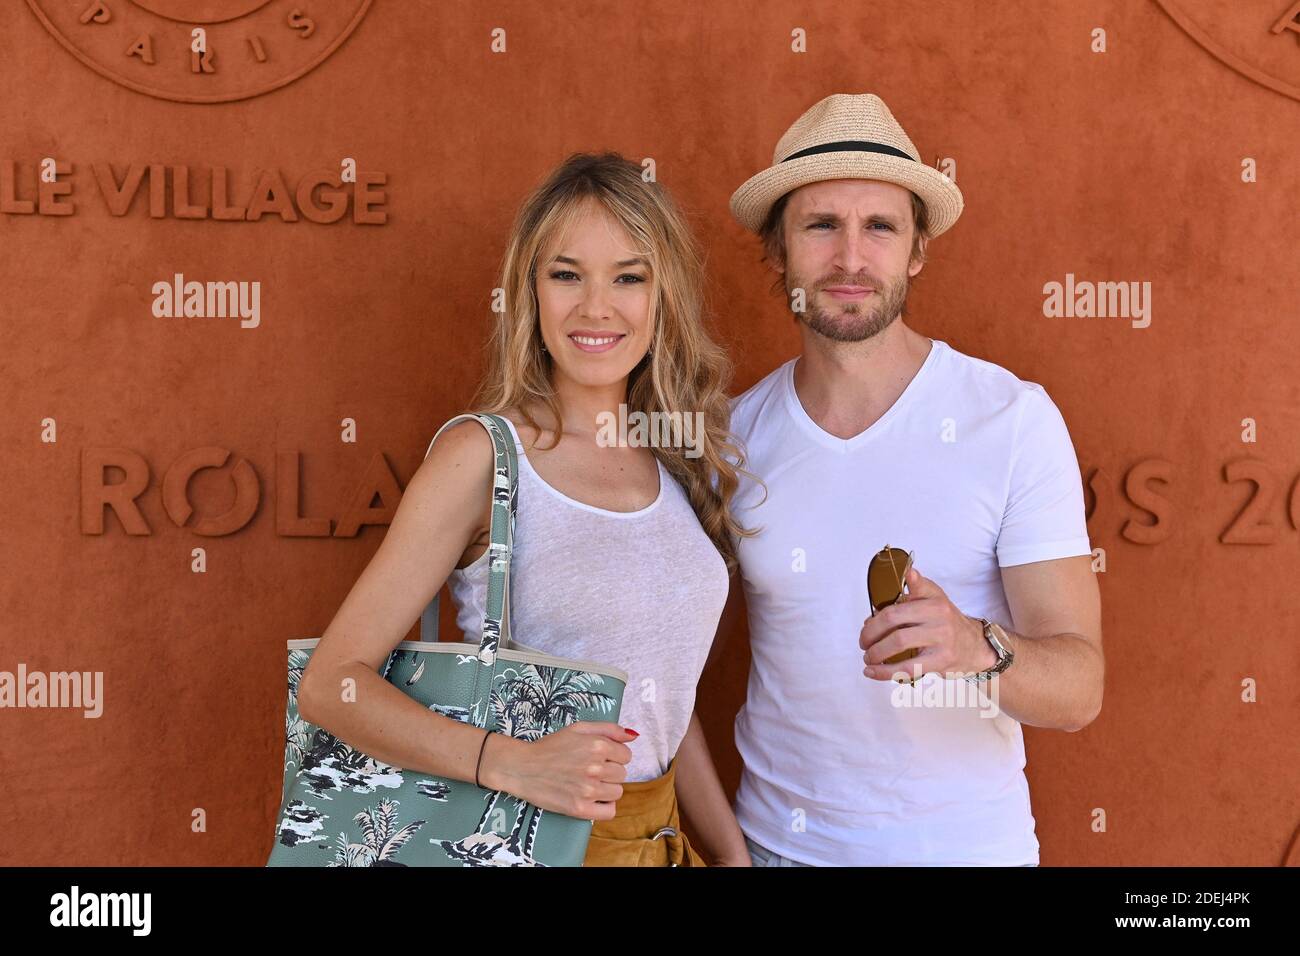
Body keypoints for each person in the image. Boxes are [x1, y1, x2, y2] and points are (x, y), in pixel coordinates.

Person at [297, 152, 754, 866]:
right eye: (566, 274)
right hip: (533, 844)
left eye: (628, 277)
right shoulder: (484, 456)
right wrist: (506, 762)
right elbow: (332, 685)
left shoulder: (678, 461)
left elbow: (664, 694)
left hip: (659, 843)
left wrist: (730, 855)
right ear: (528, 291)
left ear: (663, 296)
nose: (596, 307)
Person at [723, 92, 1104, 866]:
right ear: (778, 251)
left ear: (917, 251)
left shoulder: (1012, 420)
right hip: (774, 848)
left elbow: (1080, 689)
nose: (852, 259)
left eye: (881, 227)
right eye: (822, 225)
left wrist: (972, 646)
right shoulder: (731, 437)